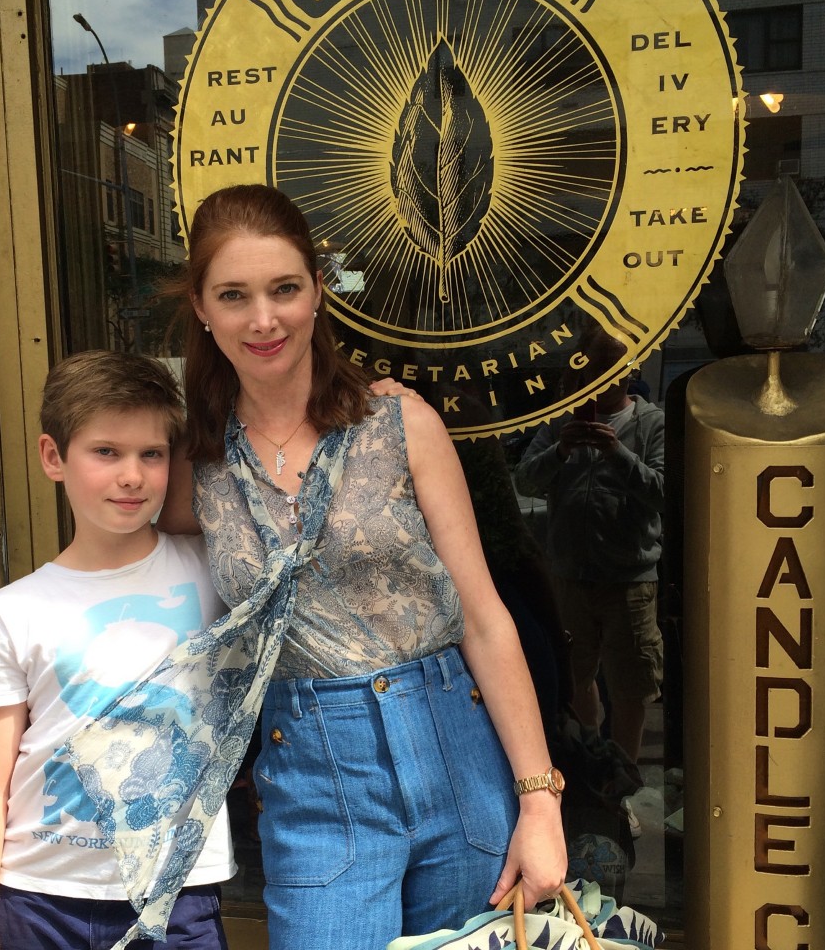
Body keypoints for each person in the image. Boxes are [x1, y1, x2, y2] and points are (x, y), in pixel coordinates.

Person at [149, 183, 566, 949]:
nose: (264, 319)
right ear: (203, 309)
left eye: (284, 289)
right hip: (314, 782)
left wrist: (540, 800)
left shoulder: (401, 425)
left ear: (317, 292)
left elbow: (482, 614)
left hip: (458, 755)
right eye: (234, 295)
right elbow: (125, 564)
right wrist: (27, 688)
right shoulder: (197, 463)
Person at [0, 351, 235, 950]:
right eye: (106, 452)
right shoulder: (11, 611)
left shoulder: (216, 575)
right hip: (39, 897)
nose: (131, 475)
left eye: (150, 454)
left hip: (175, 896)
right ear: (53, 456)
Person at [513, 326, 665, 767]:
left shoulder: (650, 423)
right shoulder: (562, 422)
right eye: (593, 365)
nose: (601, 376)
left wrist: (618, 453)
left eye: (610, 366)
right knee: (577, 678)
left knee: (631, 687)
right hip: (569, 577)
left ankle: (625, 786)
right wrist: (559, 451)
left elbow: (664, 493)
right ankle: (596, 769)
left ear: (630, 369)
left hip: (630, 581)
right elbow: (525, 481)